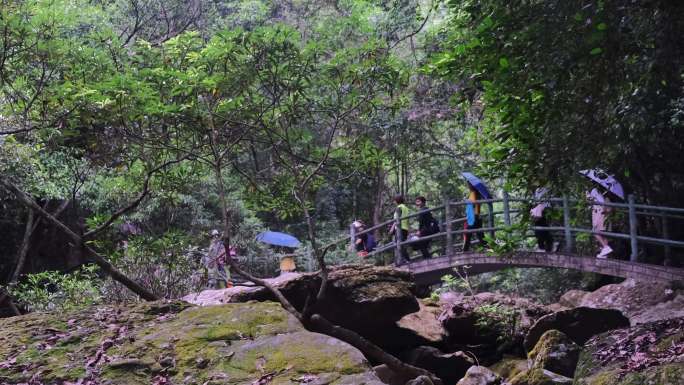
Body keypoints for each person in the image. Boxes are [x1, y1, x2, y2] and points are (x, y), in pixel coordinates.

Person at [588, 188, 613, 258]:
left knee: (595, 231)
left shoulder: (596, 192)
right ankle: (604, 253)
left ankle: (605, 247)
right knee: (604, 234)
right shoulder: (606, 196)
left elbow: (603, 206)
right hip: (604, 215)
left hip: (600, 214)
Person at [463, 183, 485, 251]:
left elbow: (472, 204)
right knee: (481, 237)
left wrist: (466, 201)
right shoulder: (478, 194)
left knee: (468, 235)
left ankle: (465, 252)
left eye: (469, 185)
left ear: (471, 186)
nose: (468, 186)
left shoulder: (473, 193)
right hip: (477, 217)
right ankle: (491, 249)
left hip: (473, 218)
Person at [389, 195, 410, 265]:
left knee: (399, 245)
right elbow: (407, 219)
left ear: (397, 201)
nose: (394, 202)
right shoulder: (406, 208)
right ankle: (404, 260)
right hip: (405, 228)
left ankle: (405, 260)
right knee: (401, 244)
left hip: (400, 228)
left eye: (394, 200)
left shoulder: (399, 208)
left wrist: (392, 229)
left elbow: (397, 220)